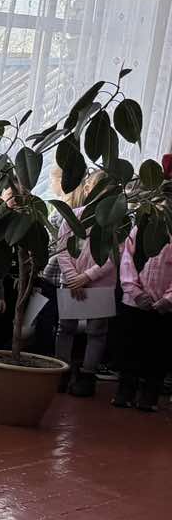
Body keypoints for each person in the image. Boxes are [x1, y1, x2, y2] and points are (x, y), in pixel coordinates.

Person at [44, 170, 115, 398]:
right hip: (71, 281)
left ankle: (87, 376)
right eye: (98, 189)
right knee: (65, 328)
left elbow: (114, 255)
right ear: (86, 189)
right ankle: (62, 372)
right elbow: (62, 249)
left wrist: (87, 277)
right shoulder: (72, 217)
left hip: (100, 284)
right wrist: (73, 276)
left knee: (97, 332)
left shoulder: (115, 220)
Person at [112, 225, 172, 411]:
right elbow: (127, 261)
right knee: (129, 347)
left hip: (164, 306)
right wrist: (135, 291)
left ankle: (150, 395)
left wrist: (168, 299)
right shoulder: (141, 227)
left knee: (158, 351)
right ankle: (125, 391)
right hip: (134, 301)